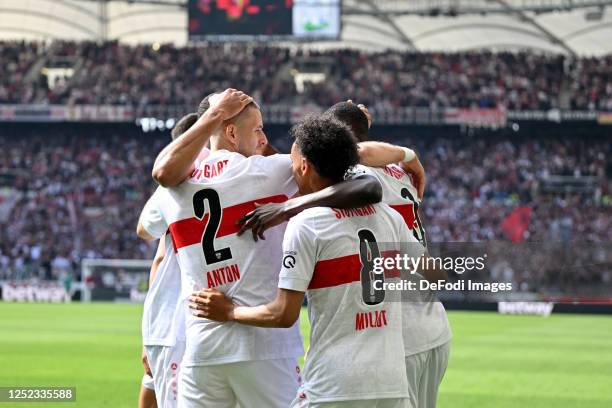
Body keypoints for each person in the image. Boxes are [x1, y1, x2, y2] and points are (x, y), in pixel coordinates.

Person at [137, 89, 398, 408]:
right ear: (232, 132)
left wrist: (213, 116)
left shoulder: (171, 191)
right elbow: (339, 166)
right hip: (266, 350)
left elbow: (158, 188)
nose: (263, 136)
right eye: (258, 128)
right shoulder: (268, 173)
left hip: (203, 348)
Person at [189, 115, 425, 407]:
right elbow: (433, 275)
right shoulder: (389, 216)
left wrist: (229, 312)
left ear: (303, 166)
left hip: (333, 385)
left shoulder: (308, 224)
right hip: (392, 384)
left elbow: (283, 314)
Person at [138, 112, 200, 408]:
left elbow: (154, 247)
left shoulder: (172, 192)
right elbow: (151, 242)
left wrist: (150, 333)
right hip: (179, 323)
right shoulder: (173, 188)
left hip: (168, 326)